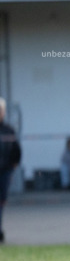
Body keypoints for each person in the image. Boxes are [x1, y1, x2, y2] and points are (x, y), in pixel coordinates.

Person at [0, 97, 22, 244]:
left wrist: (13, 165)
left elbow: (16, 151)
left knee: (1, 201)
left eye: (1, 110)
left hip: (5, 170)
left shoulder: (8, 130)